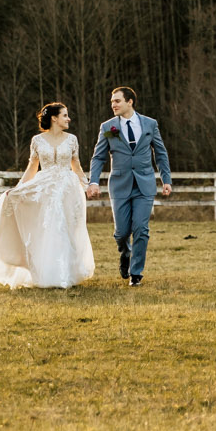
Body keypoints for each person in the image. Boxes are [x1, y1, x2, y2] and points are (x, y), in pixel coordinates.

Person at [0, 101, 97, 289]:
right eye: (65, 115)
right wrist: (18, 188)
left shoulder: (72, 139)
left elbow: (77, 166)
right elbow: (32, 167)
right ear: (54, 118)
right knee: (48, 228)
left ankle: (67, 273)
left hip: (68, 189)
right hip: (46, 188)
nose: (69, 119)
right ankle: (49, 274)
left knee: (68, 229)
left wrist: (88, 185)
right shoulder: (37, 141)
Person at [87, 85, 171, 287]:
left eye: (117, 101)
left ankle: (136, 274)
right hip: (120, 185)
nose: (113, 104)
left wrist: (166, 180)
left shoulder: (150, 124)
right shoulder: (109, 128)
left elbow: (160, 153)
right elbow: (99, 157)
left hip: (144, 184)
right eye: (112, 102)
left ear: (130, 101)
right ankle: (125, 253)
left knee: (141, 229)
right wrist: (93, 181)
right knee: (121, 232)